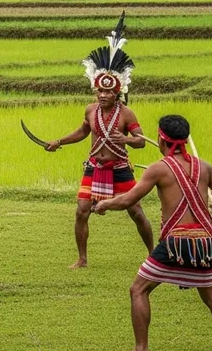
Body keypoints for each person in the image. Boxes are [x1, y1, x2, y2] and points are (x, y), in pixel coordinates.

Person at [93, 114, 212, 351]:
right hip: (204, 241)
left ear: (161, 139)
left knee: (138, 289)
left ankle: (141, 350)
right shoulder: (204, 166)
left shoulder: (159, 168)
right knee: (210, 294)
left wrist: (104, 204)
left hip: (177, 242)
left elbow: (129, 200)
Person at [44, 16, 153, 268]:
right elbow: (82, 132)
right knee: (81, 211)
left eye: (108, 92)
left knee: (136, 212)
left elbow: (141, 142)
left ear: (118, 93)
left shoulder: (127, 114)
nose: (103, 95)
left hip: (119, 168)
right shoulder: (90, 110)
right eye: (100, 91)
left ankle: (153, 253)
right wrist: (59, 141)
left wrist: (125, 138)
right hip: (94, 167)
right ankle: (82, 259)